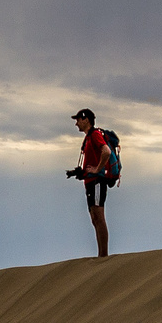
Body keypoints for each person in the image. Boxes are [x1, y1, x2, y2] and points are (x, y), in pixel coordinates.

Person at [65, 107, 111, 259]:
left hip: (97, 181)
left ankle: (103, 256)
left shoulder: (95, 135)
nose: (76, 123)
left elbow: (106, 151)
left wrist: (98, 169)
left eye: (78, 120)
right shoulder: (88, 138)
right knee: (94, 218)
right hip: (90, 182)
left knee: (99, 216)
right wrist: (79, 173)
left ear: (86, 120)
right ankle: (101, 255)